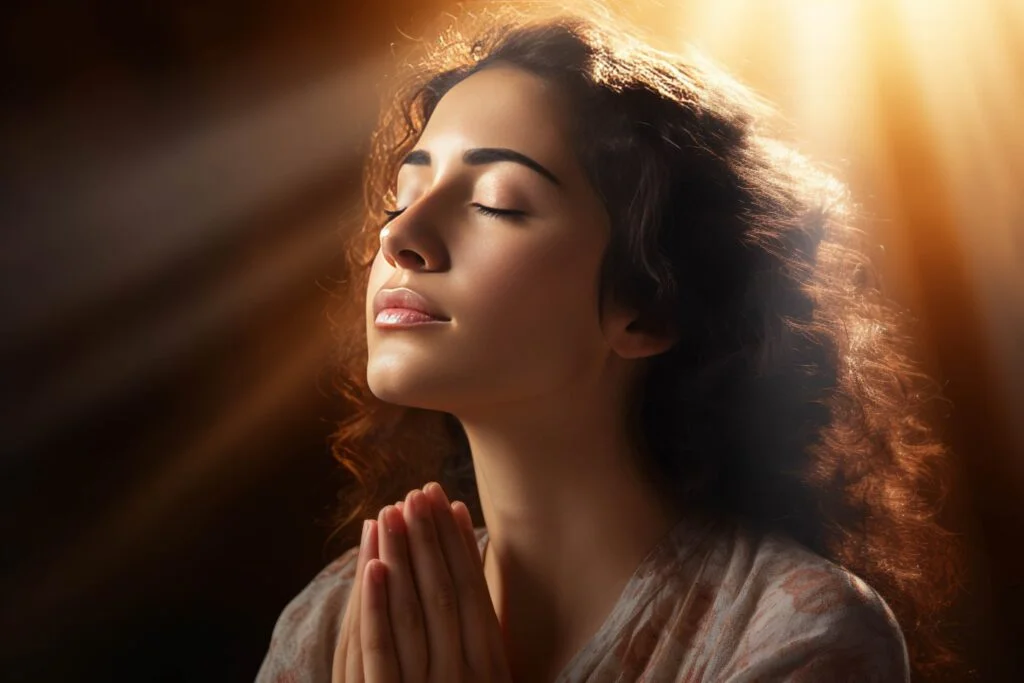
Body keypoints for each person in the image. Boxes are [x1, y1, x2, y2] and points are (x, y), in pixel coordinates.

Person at [256, 3, 964, 681]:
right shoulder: (332, 618)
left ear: (647, 310)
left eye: (496, 202)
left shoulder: (795, 635)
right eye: (401, 197)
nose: (399, 236)